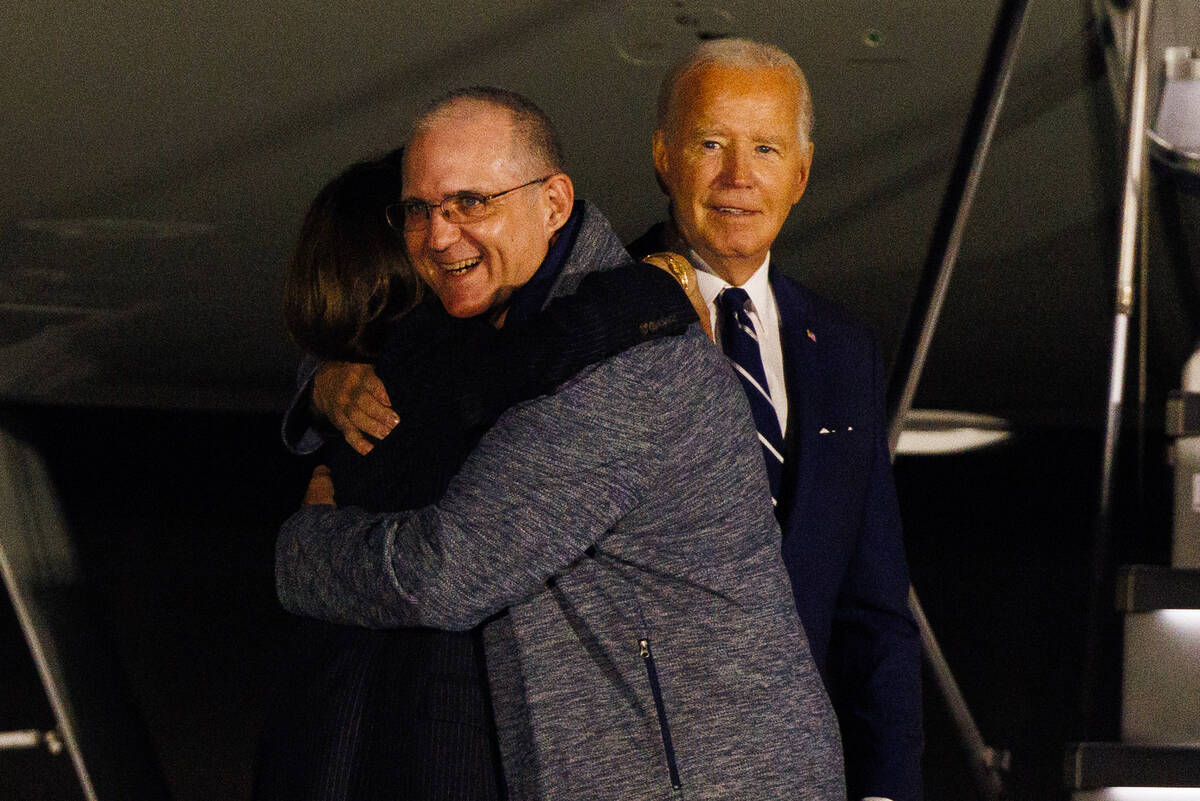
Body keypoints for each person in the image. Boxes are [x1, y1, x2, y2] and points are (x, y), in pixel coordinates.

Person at [275, 87, 844, 799]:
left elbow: (447, 573)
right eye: (419, 211)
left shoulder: (621, 373)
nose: (439, 233)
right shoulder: (505, 321)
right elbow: (386, 348)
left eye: (470, 203)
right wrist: (323, 379)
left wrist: (306, 546)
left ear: (552, 203)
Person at [259, 152, 704, 800]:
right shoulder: (449, 383)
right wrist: (652, 290)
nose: (449, 235)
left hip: (311, 748)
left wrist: (317, 387)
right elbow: (549, 347)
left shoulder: (346, 412)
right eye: (426, 218)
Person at [627, 38, 923, 801]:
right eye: (711, 144)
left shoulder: (846, 350)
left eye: (765, 147)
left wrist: (887, 791)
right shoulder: (592, 315)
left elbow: (874, 611)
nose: (738, 177)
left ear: (801, 172)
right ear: (664, 157)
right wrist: (324, 385)